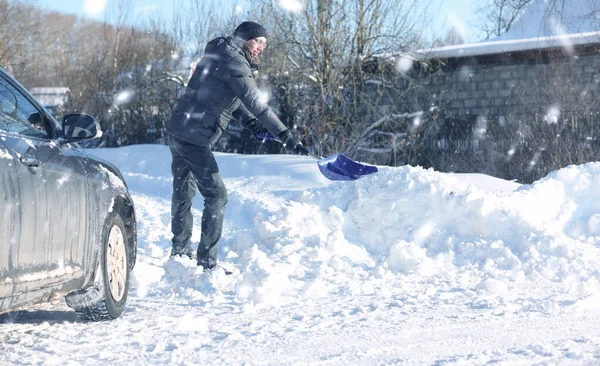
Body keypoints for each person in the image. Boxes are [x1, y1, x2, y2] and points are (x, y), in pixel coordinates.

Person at [165, 21, 308, 272]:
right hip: (195, 138)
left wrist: (251, 124)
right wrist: (285, 135)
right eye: (258, 42)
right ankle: (207, 262)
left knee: (183, 190)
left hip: (179, 130)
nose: (261, 48)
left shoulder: (220, 53)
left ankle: (179, 251)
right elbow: (256, 102)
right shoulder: (235, 61)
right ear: (245, 39)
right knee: (217, 195)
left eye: (264, 44)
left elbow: (229, 95)